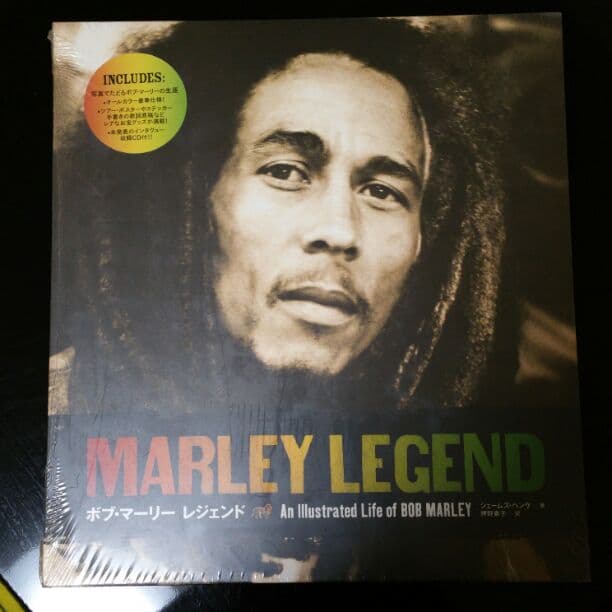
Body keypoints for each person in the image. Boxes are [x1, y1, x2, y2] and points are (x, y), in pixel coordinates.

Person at [52, 18, 523, 581]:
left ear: (425, 241)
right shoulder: (48, 448)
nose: (339, 230)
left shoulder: (462, 518)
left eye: (382, 190)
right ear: (190, 200)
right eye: (285, 171)